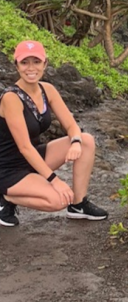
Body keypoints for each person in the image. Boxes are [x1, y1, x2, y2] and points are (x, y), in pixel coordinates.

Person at [0, 40, 108, 227]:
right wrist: (54, 180)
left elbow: (71, 125)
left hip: (32, 158)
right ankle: (5, 197)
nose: (31, 68)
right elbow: (24, 147)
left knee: (86, 141)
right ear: (16, 65)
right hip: (8, 168)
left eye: (36, 61)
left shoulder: (47, 90)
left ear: (45, 64)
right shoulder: (11, 98)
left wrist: (75, 141)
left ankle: (78, 205)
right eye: (25, 62)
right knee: (58, 200)